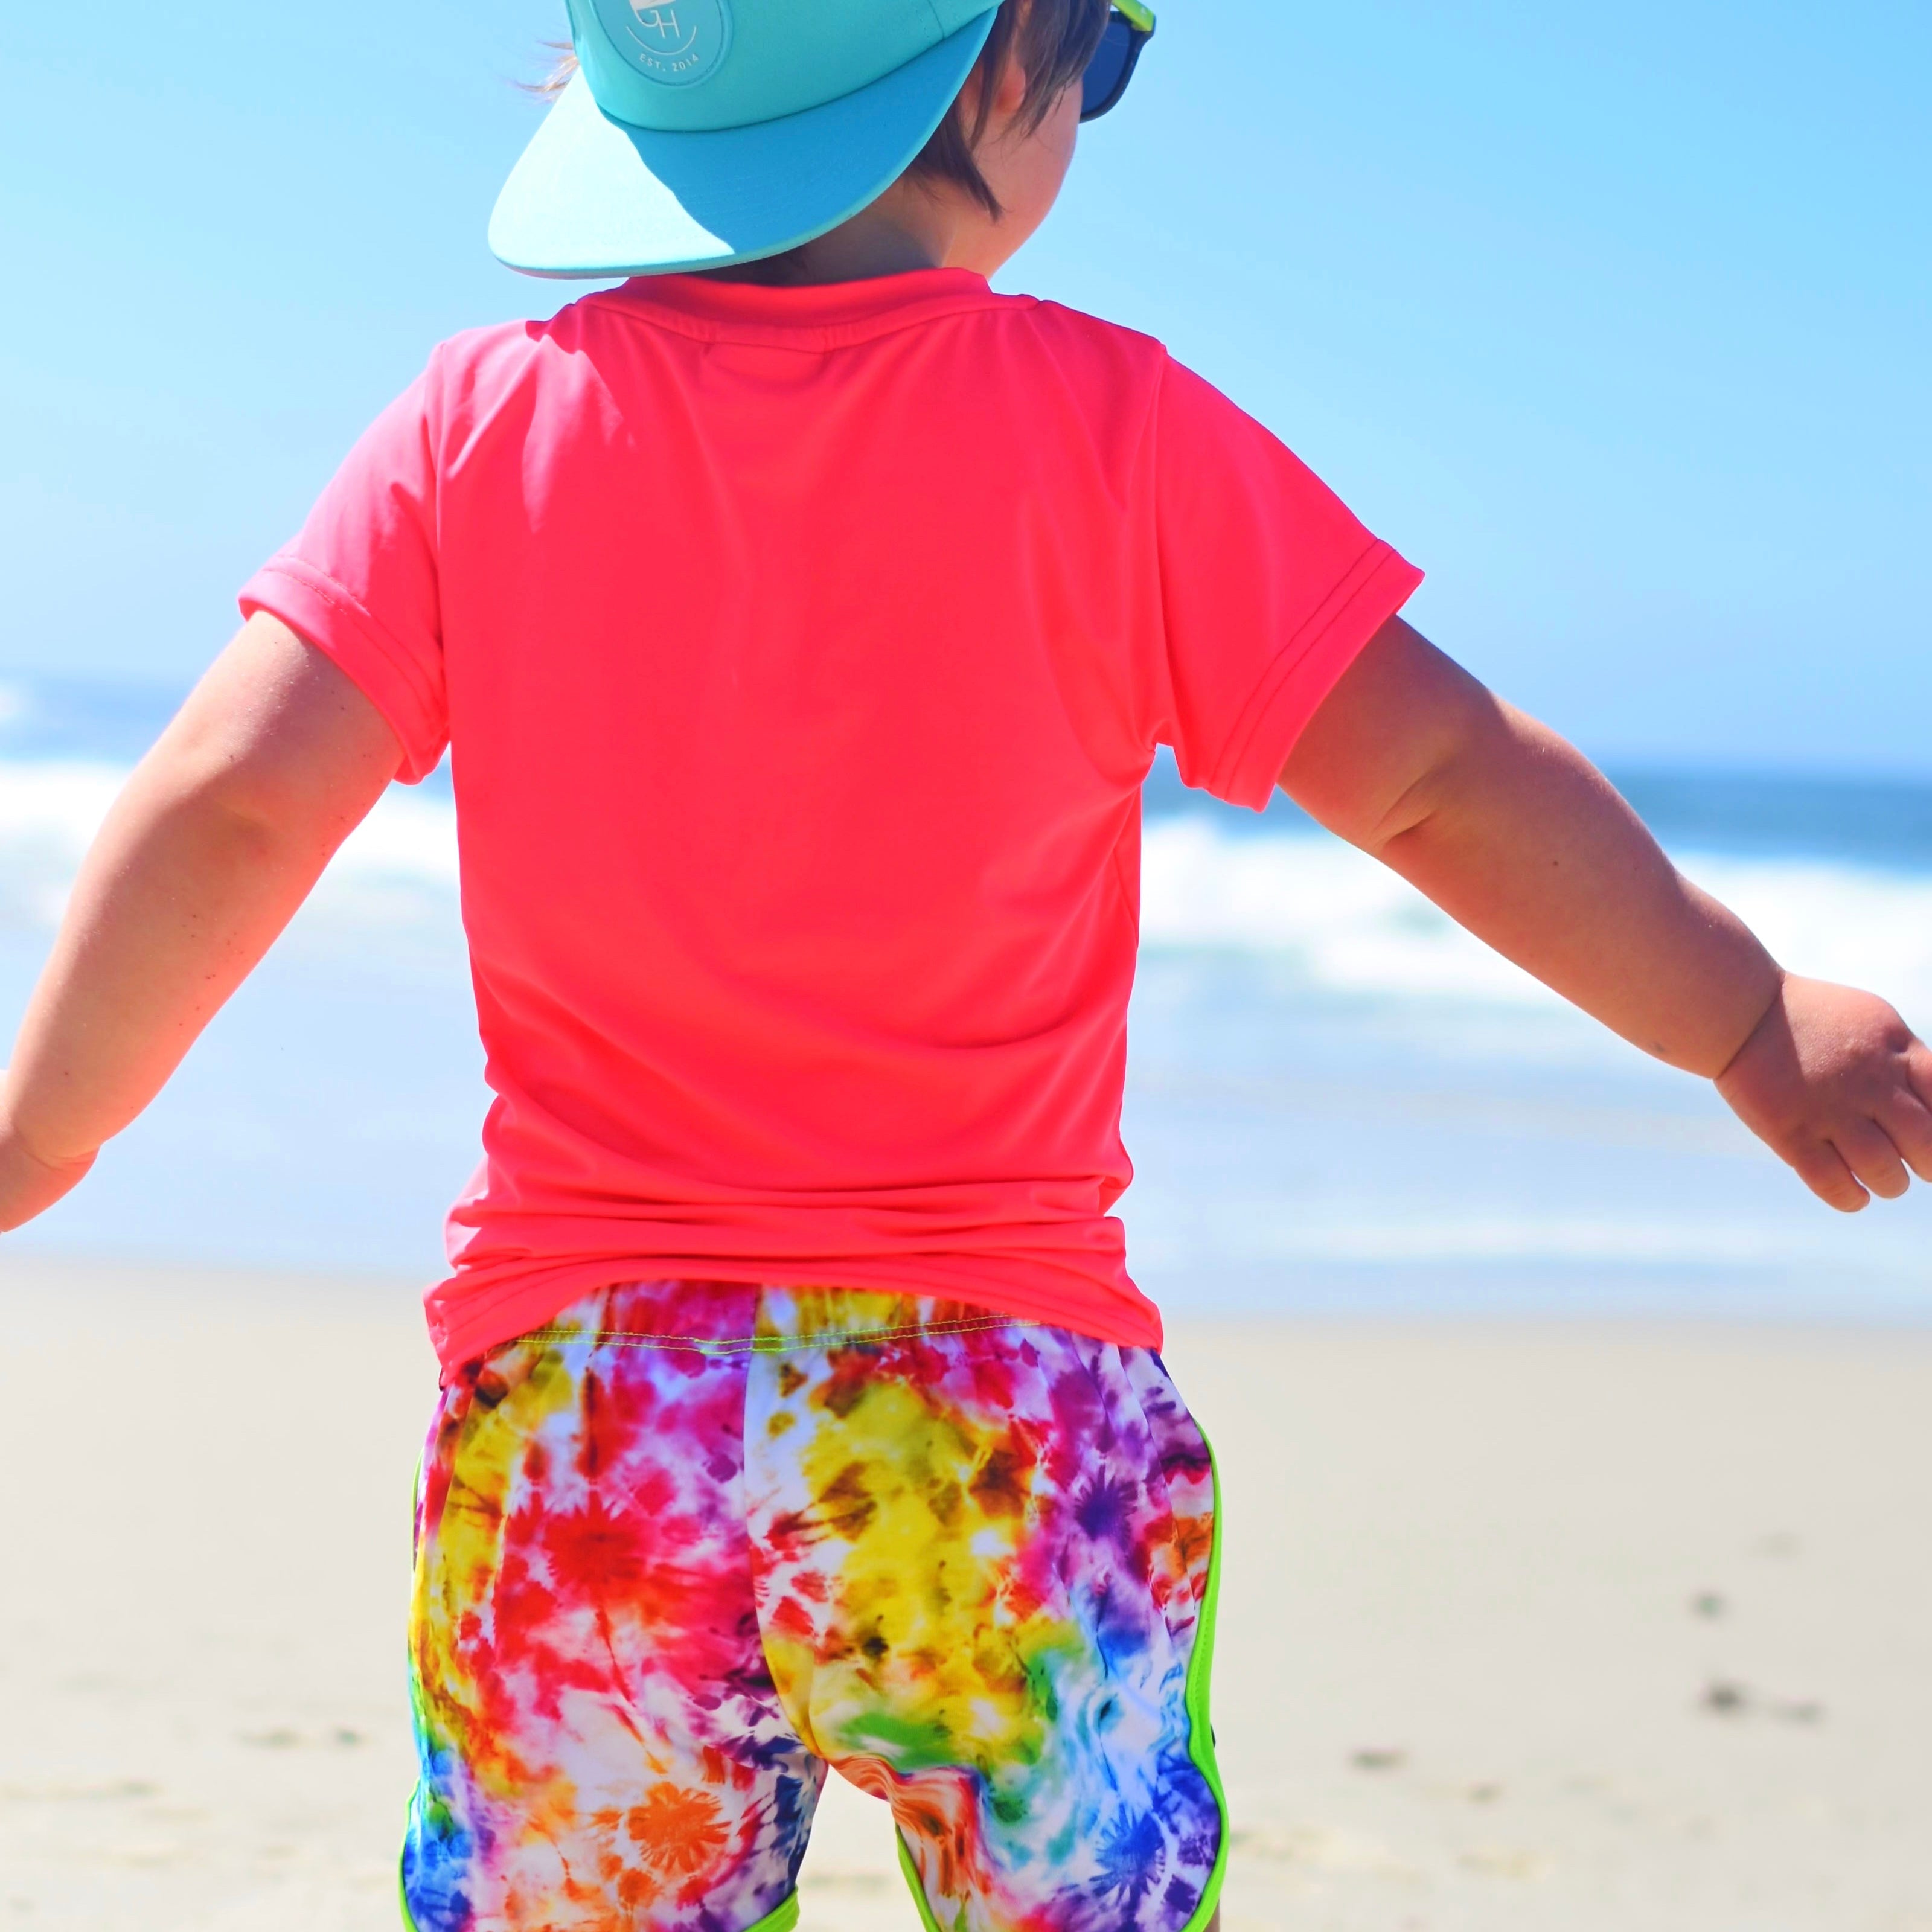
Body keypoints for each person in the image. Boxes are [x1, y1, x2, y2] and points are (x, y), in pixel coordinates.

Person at [2, 3, 1927, 1928]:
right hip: (994, 1413)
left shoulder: (479, 425)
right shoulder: (1119, 431)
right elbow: (1437, 779)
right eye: (1106, 57)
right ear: (1004, 64)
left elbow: (235, 803)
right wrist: (1744, 1019)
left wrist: (42, 1128)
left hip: (595, 1416)